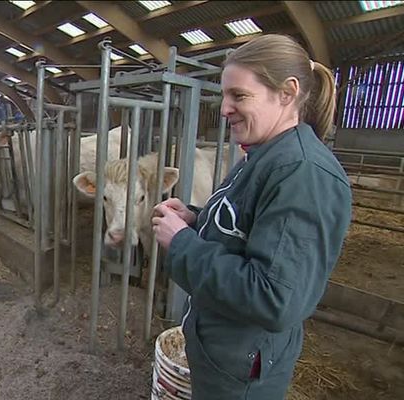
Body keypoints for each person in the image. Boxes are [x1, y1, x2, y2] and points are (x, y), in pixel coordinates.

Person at [151, 34, 352, 399]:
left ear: (287, 93)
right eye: (225, 95)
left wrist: (182, 244)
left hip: (242, 370)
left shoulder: (302, 173)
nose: (225, 108)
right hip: (224, 352)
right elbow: (248, 230)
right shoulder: (265, 155)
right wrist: (197, 220)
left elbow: (274, 298)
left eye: (239, 96)